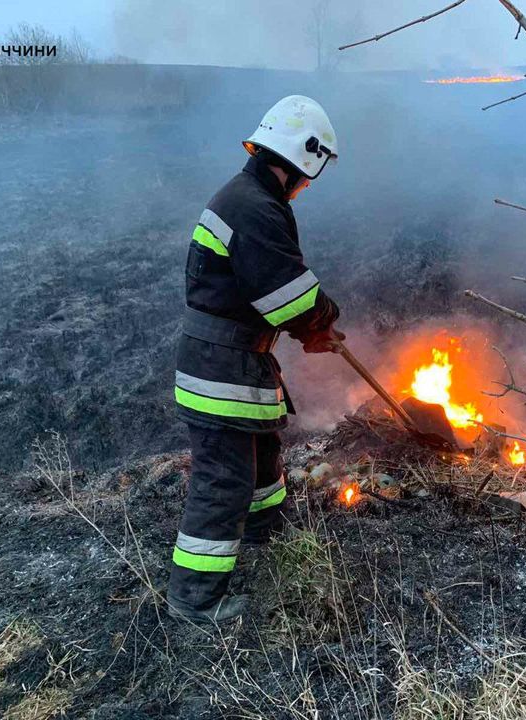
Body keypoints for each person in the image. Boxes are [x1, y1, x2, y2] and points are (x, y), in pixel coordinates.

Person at [167, 96, 345, 625]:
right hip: (220, 365)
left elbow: (265, 296)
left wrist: (311, 329)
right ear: (299, 159)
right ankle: (195, 598)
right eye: (311, 174)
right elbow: (287, 294)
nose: (310, 186)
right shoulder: (254, 208)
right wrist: (322, 320)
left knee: (262, 454)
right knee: (224, 478)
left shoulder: (249, 197)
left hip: (236, 360)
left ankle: (267, 534)